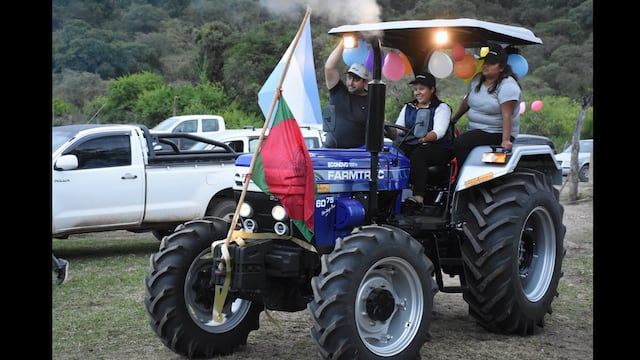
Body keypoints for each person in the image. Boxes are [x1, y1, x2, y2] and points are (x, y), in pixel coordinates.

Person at [386, 72, 454, 207]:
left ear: (432, 90)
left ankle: (418, 197)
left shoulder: (441, 108)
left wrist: (423, 138)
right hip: (413, 144)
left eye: (421, 89)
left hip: (437, 147)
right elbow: (400, 129)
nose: (418, 92)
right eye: (416, 89)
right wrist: (387, 128)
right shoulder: (408, 107)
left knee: (418, 155)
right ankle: (389, 194)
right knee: (393, 153)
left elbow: (438, 132)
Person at [450, 42, 522, 167]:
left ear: (501, 68)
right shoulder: (478, 79)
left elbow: (507, 115)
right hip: (476, 130)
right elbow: (467, 101)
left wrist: (506, 141)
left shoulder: (508, 86)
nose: (486, 66)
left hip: (496, 132)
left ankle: (466, 178)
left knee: (460, 142)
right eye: (485, 62)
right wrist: (453, 120)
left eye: (491, 63)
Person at [323, 40, 369, 148]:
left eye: (356, 79)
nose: (350, 83)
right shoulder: (338, 91)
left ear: (365, 82)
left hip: (358, 155)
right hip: (332, 153)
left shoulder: (372, 100)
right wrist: (343, 42)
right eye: (349, 77)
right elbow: (329, 67)